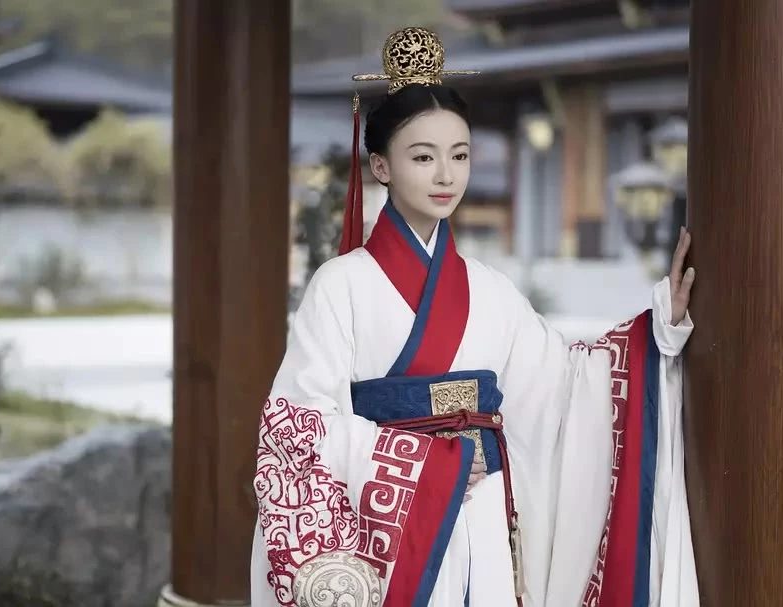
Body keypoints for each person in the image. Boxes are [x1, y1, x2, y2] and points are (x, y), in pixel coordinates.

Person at [251, 27, 699, 607]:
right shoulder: (341, 285)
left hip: (485, 518)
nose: (447, 176)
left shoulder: (491, 291)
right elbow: (296, 428)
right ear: (381, 166)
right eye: (423, 157)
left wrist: (655, 330)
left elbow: (566, 389)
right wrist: (423, 465)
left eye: (460, 156)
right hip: (392, 532)